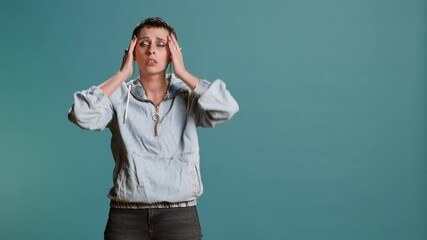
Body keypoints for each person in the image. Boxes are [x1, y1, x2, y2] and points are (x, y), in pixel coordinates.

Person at [67, 17, 239, 240]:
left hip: (179, 214)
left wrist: (183, 72)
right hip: (125, 216)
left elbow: (225, 108)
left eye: (161, 44)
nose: (151, 51)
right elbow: (79, 114)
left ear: (172, 53)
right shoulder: (119, 96)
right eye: (144, 43)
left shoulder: (188, 95)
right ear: (132, 52)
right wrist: (121, 75)